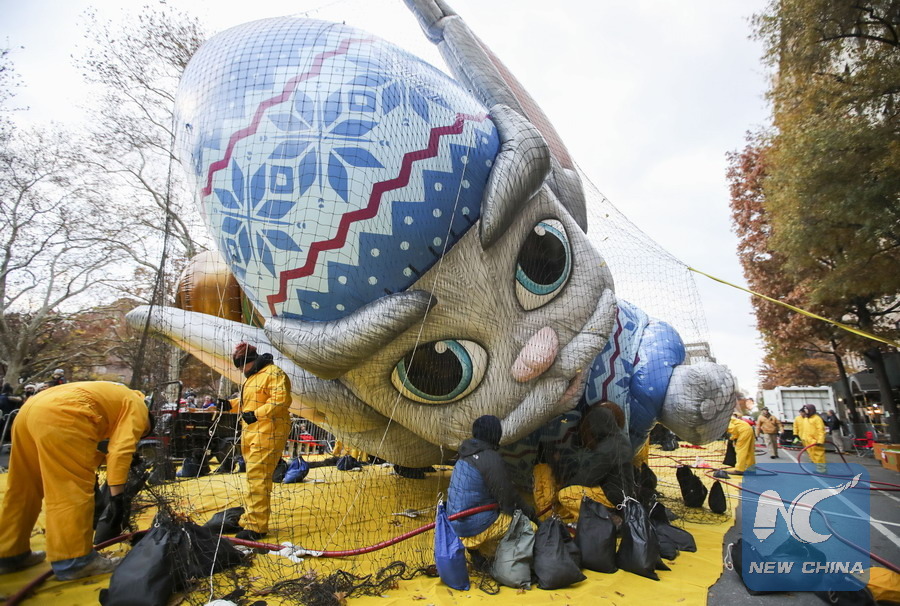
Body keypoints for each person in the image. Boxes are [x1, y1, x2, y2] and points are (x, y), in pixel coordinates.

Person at [0, 381, 150, 580]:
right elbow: (121, 450)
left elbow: (85, 448)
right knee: (70, 490)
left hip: (29, 412)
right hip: (62, 416)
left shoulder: (116, 396)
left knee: (24, 486)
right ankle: (74, 560)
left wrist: (105, 460)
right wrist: (117, 497)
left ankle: (9, 553)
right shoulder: (138, 408)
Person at [447, 415, 535, 558]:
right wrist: (531, 514)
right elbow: (508, 498)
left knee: (494, 544)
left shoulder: (465, 453)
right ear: (496, 434)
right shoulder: (490, 458)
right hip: (474, 525)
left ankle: (480, 554)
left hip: (456, 522)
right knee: (531, 528)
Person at [230, 342, 292, 541]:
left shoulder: (274, 373)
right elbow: (249, 402)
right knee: (253, 477)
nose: (241, 371)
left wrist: (256, 414)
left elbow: (281, 400)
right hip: (252, 433)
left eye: (241, 366)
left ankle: (256, 527)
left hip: (268, 432)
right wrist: (229, 405)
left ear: (250, 361)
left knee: (258, 477)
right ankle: (251, 518)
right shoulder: (253, 377)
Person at [800, 404, 827, 473]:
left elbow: (821, 430)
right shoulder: (806, 418)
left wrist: (820, 441)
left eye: (806, 409)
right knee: (812, 455)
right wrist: (803, 438)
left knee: (819, 456)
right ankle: (819, 469)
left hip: (815, 441)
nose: (805, 411)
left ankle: (822, 470)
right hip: (808, 441)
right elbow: (805, 430)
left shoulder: (817, 419)